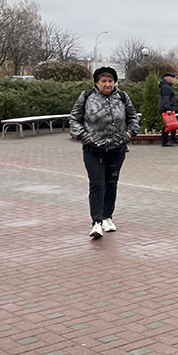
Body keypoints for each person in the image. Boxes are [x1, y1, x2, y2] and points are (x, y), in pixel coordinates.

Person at [69, 67, 139, 239]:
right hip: (93, 149)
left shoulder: (122, 97)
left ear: (114, 82)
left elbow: (133, 117)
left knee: (111, 183)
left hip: (117, 148)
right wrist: (85, 136)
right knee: (97, 184)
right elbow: (74, 119)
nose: (107, 84)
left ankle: (108, 217)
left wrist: (129, 134)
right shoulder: (86, 97)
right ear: (97, 83)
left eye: (110, 81)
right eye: (104, 81)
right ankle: (96, 222)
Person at [158, 72, 178, 146]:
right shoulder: (166, 87)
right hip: (166, 108)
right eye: (171, 78)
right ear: (166, 78)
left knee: (172, 124)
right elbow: (165, 98)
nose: (173, 79)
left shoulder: (166, 86)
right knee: (167, 125)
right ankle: (165, 141)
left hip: (168, 107)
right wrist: (168, 108)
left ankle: (173, 138)